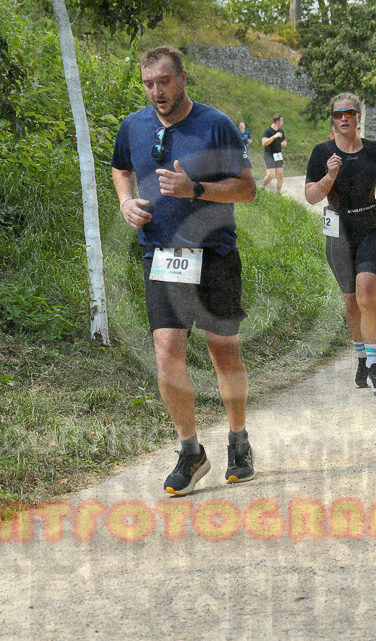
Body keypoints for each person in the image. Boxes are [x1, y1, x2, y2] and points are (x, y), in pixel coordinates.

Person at [111, 46, 257, 496]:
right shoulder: (133, 125)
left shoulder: (215, 124)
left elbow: (248, 190)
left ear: (183, 78)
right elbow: (120, 169)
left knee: (223, 353)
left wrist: (196, 188)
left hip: (213, 254)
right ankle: (190, 451)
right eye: (149, 83)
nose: (157, 91)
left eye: (164, 81)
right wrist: (125, 202)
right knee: (166, 352)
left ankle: (238, 440)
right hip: (161, 254)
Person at [304, 92, 376, 395]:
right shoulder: (322, 153)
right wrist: (330, 175)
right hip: (338, 232)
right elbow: (311, 196)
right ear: (332, 120)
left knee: (366, 294)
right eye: (337, 114)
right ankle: (362, 358)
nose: (343, 118)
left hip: (371, 226)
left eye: (349, 113)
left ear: (359, 117)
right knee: (350, 300)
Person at [262, 114, 286, 193]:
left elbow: (284, 140)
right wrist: (274, 137)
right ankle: (262, 186)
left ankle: (278, 192)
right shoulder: (268, 131)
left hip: (278, 155)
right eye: (282, 121)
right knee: (271, 175)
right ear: (277, 121)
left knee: (280, 175)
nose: (283, 122)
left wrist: (284, 143)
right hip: (269, 154)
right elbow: (264, 143)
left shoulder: (281, 131)